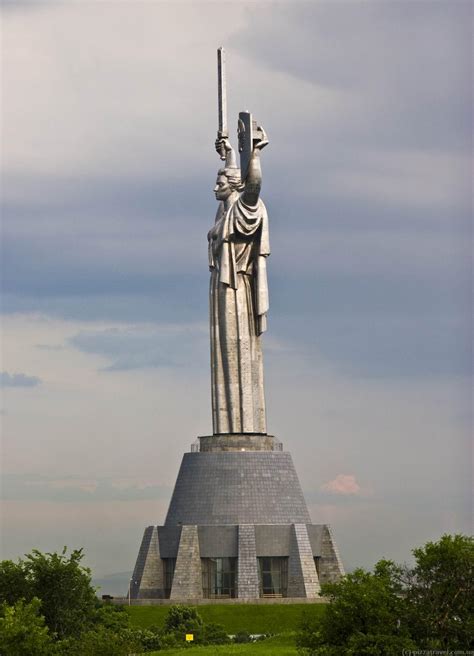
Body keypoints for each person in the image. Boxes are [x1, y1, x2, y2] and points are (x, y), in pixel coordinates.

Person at [208, 129, 270, 435]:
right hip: (221, 289)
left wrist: (255, 155)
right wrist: (230, 151)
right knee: (223, 355)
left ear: (232, 186)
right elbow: (232, 189)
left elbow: (252, 187)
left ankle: (243, 427)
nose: (213, 187)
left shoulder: (244, 209)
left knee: (239, 351)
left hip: (237, 291)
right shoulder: (225, 211)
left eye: (219, 183)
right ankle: (229, 428)